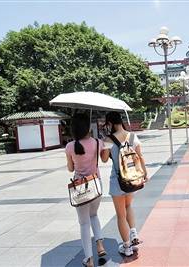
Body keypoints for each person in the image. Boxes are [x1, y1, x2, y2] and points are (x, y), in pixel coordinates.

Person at [100, 111, 148, 257]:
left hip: (117, 181)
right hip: (132, 178)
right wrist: (145, 173)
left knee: (120, 215)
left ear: (110, 124)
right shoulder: (132, 136)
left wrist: (104, 143)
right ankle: (133, 234)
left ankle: (127, 246)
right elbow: (140, 156)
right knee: (128, 206)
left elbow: (103, 159)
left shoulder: (109, 139)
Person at [65, 113, 106, 267]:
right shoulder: (97, 142)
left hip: (80, 187)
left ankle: (88, 259)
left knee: (84, 224)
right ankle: (100, 246)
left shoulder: (70, 146)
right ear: (88, 127)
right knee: (94, 215)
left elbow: (70, 169)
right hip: (96, 184)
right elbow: (104, 158)